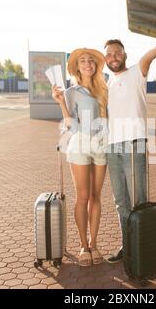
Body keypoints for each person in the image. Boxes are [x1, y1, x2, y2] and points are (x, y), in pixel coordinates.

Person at [104, 19, 156, 263]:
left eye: (117, 52)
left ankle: (144, 248)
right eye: (109, 54)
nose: (114, 56)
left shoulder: (137, 71)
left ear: (124, 54)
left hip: (133, 144)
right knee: (120, 202)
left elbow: (150, 55)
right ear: (105, 59)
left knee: (139, 199)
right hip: (112, 147)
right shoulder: (107, 82)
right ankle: (129, 246)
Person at [52, 48, 108, 267]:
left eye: (91, 61)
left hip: (101, 146)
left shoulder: (103, 90)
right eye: (83, 61)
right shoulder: (71, 91)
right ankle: (83, 245)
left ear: (95, 66)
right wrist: (61, 103)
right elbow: (71, 125)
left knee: (96, 196)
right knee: (82, 196)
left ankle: (94, 244)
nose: (87, 64)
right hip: (80, 145)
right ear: (77, 67)